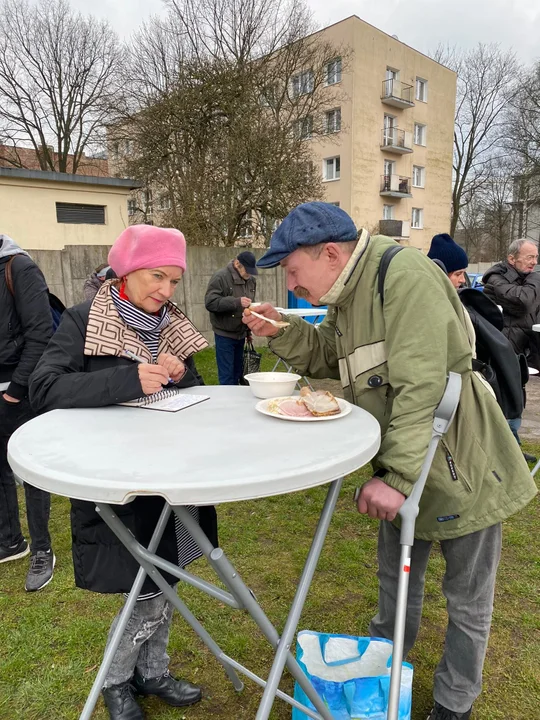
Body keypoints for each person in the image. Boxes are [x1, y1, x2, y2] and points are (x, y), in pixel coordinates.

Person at [243, 202, 537, 720]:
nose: (291, 285)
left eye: (292, 271)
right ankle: (386, 661)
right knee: (396, 579)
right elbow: (333, 359)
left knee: (467, 599)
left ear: (329, 254)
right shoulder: (349, 291)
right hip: (406, 459)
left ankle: (454, 702)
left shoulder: (404, 276)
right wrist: (282, 331)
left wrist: (397, 477)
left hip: (458, 461)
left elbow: (422, 384)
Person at [30, 225, 214, 720]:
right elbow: (45, 388)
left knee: (168, 576)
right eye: (158, 276)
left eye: (174, 281)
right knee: (144, 585)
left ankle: (152, 672)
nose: (166, 291)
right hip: (119, 483)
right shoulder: (84, 320)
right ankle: (116, 682)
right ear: (128, 271)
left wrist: (181, 375)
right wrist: (127, 380)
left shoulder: (170, 322)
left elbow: (193, 393)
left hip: (174, 474)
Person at [0, 234, 55, 592]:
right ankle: (10, 542)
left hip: (18, 392)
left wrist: (17, 389)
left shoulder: (18, 266)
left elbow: (41, 333)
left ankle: (42, 550)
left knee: (30, 470)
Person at [483, 238, 540, 456]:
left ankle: (512, 446)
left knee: (518, 398)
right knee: (503, 399)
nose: (534, 262)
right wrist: (536, 280)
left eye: (536, 257)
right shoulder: (496, 280)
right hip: (501, 351)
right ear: (511, 258)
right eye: (529, 257)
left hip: (524, 350)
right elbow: (523, 302)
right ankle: (506, 450)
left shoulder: (528, 281)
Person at [204, 250, 257, 385]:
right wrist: (236, 301)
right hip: (224, 335)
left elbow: (248, 309)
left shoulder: (251, 280)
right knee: (227, 377)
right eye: (247, 271)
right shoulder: (220, 277)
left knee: (239, 375)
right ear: (237, 263)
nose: (249, 275)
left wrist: (248, 331)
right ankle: (226, 404)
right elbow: (210, 303)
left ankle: (238, 404)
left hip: (241, 334)